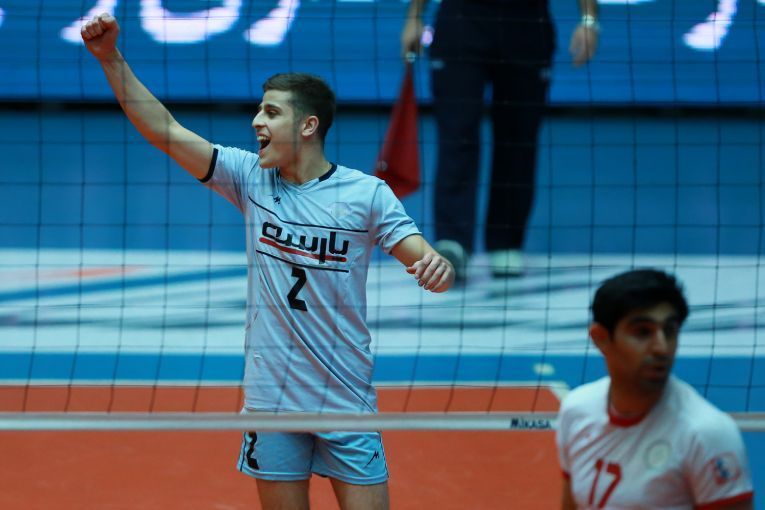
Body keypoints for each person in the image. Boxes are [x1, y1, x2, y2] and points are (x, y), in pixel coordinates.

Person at [81, 13, 455, 510]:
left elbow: (424, 258)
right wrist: (110, 58)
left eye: (271, 113)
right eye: (260, 110)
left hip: (346, 399)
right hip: (271, 399)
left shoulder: (366, 194)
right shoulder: (249, 178)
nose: (257, 121)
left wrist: (438, 269)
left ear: (308, 125)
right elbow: (164, 130)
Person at [401, 0, 599, 279]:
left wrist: (589, 21)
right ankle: (453, 242)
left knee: (519, 139)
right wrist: (414, 16)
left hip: (527, 25)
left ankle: (505, 243)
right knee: (456, 135)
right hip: (461, 21)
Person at [556, 269, 754, 509]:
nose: (661, 347)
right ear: (600, 338)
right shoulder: (576, 410)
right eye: (642, 332)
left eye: (669, 331)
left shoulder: (706, 433)